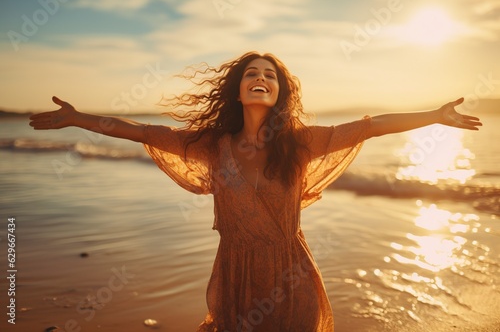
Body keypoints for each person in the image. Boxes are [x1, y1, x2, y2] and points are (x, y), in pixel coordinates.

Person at [29, 51, 481, 331]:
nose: (260, 77)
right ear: (239, 90)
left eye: (270, 73)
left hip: (293, 276)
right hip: (235, 278)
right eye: (251, 73)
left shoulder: (300, 142)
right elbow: (141, 130)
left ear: (279, 90)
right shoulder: (212, 145)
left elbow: (369, 127)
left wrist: (434, 115)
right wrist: (80, 118)